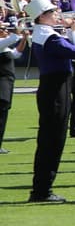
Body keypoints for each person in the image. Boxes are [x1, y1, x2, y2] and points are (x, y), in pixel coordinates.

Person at [26, 0, 75, 203]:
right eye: (52, 12)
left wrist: (70, 30)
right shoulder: (49, 37)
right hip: (55, 89)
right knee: (52, 141)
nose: (57, 15)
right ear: (42, 16)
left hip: (54, 87)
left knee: (51, 140)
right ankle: (42, 190)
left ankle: (42, 188)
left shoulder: (46, 34)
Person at [0, 23, 28, 154]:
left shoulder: (4, 46)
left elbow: (16, 54)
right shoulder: (1, 43)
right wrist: (18, 28)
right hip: (2, 84)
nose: (6, 31)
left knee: (3, 114)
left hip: (6, 83)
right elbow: (13, 38)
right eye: (3, 29)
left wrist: (24, 39)